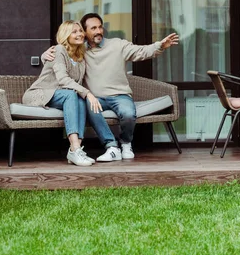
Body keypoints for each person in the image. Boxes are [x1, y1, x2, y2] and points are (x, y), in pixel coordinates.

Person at [43, 13, 179, 162]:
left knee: (128, 113)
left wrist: (159, 46)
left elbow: (141, 51)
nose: (98, 31)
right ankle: (112, 147)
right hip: (96, 98)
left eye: (100, 27)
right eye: (93, 28)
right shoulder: (81, 52)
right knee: (89, 106)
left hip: (120, 95)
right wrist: (45, 56)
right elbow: (61, 58)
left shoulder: (117, 45)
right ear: (85, 32)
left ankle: (126, 143)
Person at [23, 20, 103, 167]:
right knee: (73, 94)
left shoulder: (80, 55)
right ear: (66, 35)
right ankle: (75, 148)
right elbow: (63, 79)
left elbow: (76, 83)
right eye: (74, 31)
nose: (79, 34)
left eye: (80, 31)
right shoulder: (59, 50)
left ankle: (75, 149)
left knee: (78, 97)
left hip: (62, 94)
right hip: (39, 93)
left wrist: (84, 94)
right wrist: (88, 93)